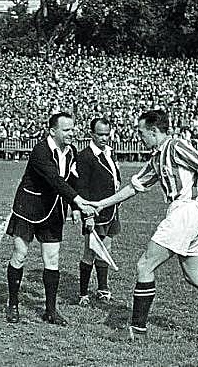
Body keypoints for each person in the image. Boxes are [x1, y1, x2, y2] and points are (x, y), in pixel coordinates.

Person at [91, 109, 198, 343]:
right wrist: (101, 204)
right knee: (194, 275)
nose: (139, 137)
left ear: (153, 131)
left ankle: (137, 330)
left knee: (145, 265)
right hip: (193, 216)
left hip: (186, 212)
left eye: (141, 132)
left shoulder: (176, 146)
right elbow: (134, 187)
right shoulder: (157, 157)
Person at [5, 112, 96, 326]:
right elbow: (54, 180)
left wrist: (75, 207)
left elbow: (72, 180)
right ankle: (13, 304)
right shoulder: (40, 151)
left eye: (72, 129)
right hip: (28, 208)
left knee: (52, 259)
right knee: (20, 255)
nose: (71, 133)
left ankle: (51, 310)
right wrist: (80, 201)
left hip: (53, 210)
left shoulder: (71, 151)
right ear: (53, 131)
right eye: (66, 130)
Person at [73, 117, 121, 306]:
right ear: (91, 134)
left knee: (106, 249)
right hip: (95, 211)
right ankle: (83, 293)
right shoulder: (85, 157)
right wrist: (88, 215)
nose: (104, 138)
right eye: (100, 134)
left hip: (111, 209)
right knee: (90, 251)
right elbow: (82, 188)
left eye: (107, 134)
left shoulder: (110, 152)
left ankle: (103, 289)